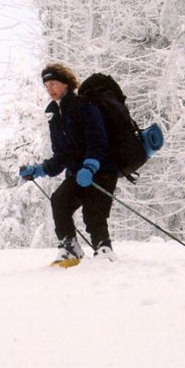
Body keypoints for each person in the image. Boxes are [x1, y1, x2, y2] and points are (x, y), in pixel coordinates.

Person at [19, 63, 119, 266]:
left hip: (102, 169)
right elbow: (62, 155)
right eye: (46, 86)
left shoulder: (85, 104)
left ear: (65, 83)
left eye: (53, 83)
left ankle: (104, 250)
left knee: (93, 211)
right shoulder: (54, 113)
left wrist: (90, 166)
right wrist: (39, 170)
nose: (50, 89)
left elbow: (98, 140)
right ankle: (70, 248)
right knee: (59, 200)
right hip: (77, 172)